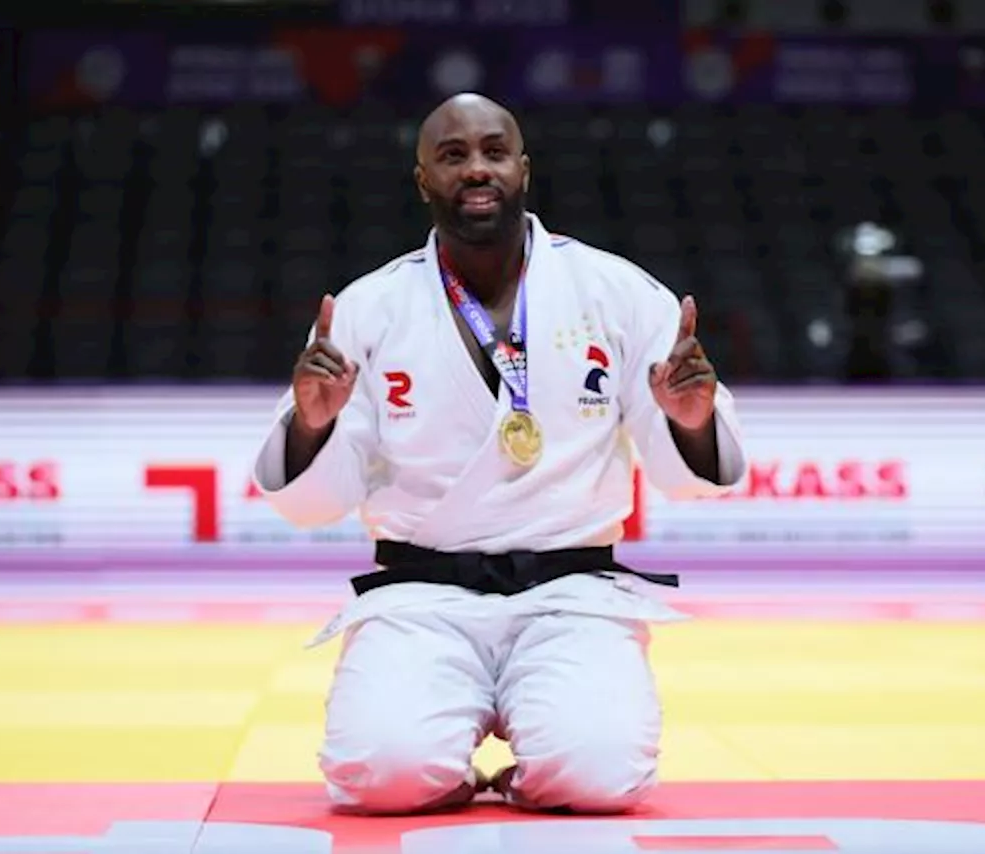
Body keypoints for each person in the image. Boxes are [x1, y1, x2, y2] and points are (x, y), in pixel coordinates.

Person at [252, 93, 747, 816]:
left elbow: (694, 478)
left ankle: (527, 770)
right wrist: (311, 425)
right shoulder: (368, 307)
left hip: (572, 595)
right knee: (379, 775)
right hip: (419, 598)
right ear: (422, 179)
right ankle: (445, 766)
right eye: (452, 156)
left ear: (524, 169)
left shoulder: (615, 290)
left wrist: (693, 421)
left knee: (601, 776)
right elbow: (311, 502)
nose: (476, 169)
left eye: (493, 151)